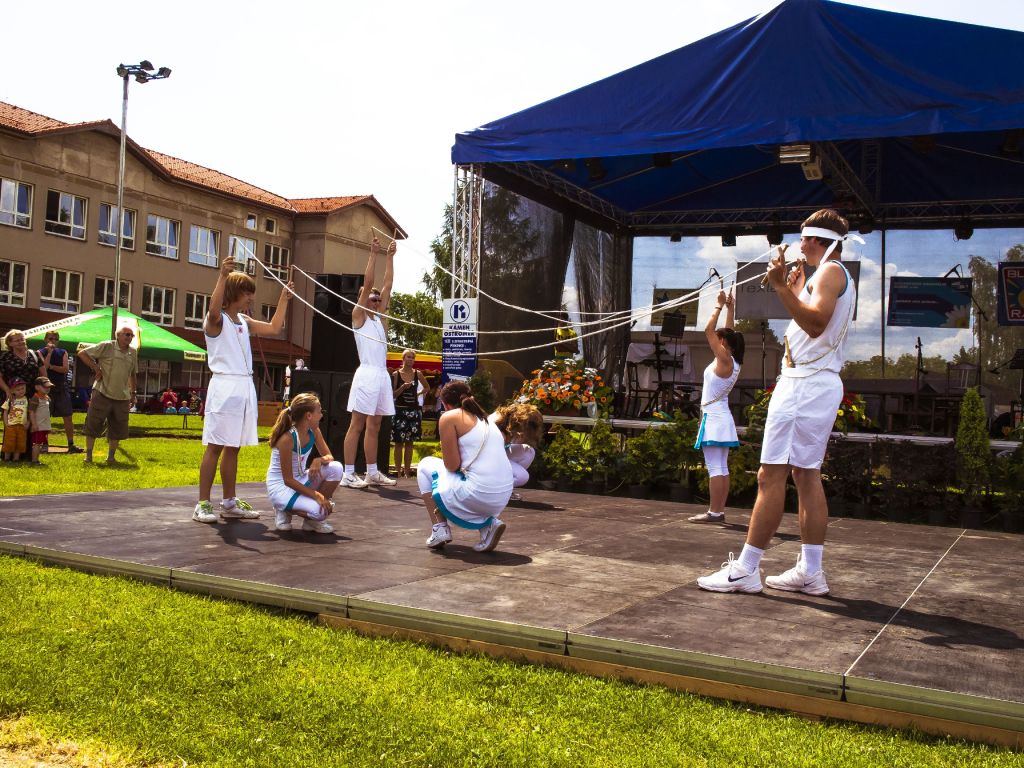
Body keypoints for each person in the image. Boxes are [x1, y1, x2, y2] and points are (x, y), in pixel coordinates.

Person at [698, 209, 859, 595]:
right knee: (806, 475)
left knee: (770, 476)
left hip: (805, 386)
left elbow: (816, 324)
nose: (799, 245)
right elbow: (813, 323)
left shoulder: (830, 271)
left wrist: (781, 289)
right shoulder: (826, 274)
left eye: (803, 239)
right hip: (814, 383)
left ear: (816, 240)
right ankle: (811, 571)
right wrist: (795, 288)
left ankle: (746, 569)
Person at [193, 255, 293, 524]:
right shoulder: (216, 320)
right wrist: (222, 276)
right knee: (215, 446)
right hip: (224, 385)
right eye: (247, 292)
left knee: (233, 447)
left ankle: (229, 501)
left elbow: (274, 328)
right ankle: (202, 504)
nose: (251, 297)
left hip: (244, 386)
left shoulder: (243, 321)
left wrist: (284, 299)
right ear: (234, 293)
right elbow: (214, 310)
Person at [417, 380, 513, 552]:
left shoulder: (449, 417)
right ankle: (488, 526)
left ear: (445, 404)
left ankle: (440, 528)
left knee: (425, 465)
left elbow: (452, 465)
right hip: (501, 498)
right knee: (472, 478)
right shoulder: (487, 420)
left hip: (479, 494)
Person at [341, 235, 398, 489]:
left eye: (378, 299)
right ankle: (348, 473)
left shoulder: (379, 318)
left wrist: (390, 257)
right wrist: (374, 254)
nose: (376, 301)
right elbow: (370, 283)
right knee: (357, 424)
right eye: (372, 299)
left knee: (375, 425)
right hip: (366, 374)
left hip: (381, 374)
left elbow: (388, 284)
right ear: (363, 300)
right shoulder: (359, 316)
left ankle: (372, 472)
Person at [688, 288, 744, 524]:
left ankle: (714, 512)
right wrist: (731, 308)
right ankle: (718, 511)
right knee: (721, 467)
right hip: (721, 417)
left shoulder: (724, 359)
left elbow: (708, 330)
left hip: (714, 418)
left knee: (715, 467)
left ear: (723, 343)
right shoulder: (732, 359)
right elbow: (728, 332)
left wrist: (718, 305)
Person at [265, 392, 341, 534]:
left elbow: (329, 456)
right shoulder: (287, 439)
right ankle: (283, 508)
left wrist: (319, 460)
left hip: (300, 479)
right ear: (309, 415)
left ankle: (311, 523)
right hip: (282, 487)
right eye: (319, 412)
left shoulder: (314, 431)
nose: (322, 415)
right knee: (321, 512)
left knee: (336, 468)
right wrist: (317, 496)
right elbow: (288, 480)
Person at [78, 326, 139, 464]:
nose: (130, 337)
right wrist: (96, 368)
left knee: (118, 428)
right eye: (127, 334)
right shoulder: (107, 346)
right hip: (102, 392)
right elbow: (82, 353)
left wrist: (133, 393)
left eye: (132, 335)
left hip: (122, 396)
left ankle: (111, 457)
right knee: (93, 424)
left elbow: (133, 374)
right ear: (118, 335)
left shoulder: (133, 352)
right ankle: (88, 456)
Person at [38, 331, 82, 453]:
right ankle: (44, 444)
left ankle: (71, 444)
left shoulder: (63, 352)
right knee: (45, 416)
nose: (52, 341)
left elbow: (65, 369)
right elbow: (44, 367)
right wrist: (49, 353)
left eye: (55, 339)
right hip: (45, 388)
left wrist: (52, 367)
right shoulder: (40, 352)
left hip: (61, 387)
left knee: (68, 416)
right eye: (50, 338)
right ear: (45, 339)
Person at [489, 403, 544, 496]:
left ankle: (504, 487)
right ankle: (493, 489)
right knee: (522, 477)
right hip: (485, 459)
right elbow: (489, 454)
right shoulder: (496, 424)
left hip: (497, 455)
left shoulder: (510, 423)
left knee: (528, 451)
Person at [392, 349, 429, 477]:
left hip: (414, 411)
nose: (410, 359)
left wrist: (418, 393)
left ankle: (407, 472)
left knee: (410, 442)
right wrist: (402, 387)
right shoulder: (396, 374)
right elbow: (393, 394)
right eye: (408, 357)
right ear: (403, 359)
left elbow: (427, 387)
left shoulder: (418, 373)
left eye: (412, 357)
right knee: (398, 442)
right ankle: (398, 472)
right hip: (400, 411)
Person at [1, 329, 44, 401]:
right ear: (10, 343)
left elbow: (44, 375)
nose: (21, 342)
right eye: (17, 340)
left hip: (34, 397)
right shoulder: (5, 357)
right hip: (13, 397)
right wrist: (7, 390)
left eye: (22, 339)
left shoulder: (34, 354)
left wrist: (42, 390)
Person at [1, 378, 29, 462]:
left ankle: (16, 459)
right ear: (12, 391)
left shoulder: (27, 399)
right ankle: (6, 459)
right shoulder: (10, 399)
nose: (21, 391)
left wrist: (28, 423)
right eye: (18, 389)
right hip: (11, 425)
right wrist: (6, 423)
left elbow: (29, 412)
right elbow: (5, 412)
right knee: (9, 442)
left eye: (22, 388)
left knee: (20, 443)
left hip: (22, 426)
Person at [27, 376, 53, 465]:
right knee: (37, 444)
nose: (47, 388)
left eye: (49, 387)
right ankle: (34, 460)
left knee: (40, 443)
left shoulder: (46, 397)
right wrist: (34, 424)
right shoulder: (35, 398)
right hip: (38, 426)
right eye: (45, 387)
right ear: (37, 387)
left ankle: (37, 460)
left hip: (44, 426)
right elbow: (31, 412)